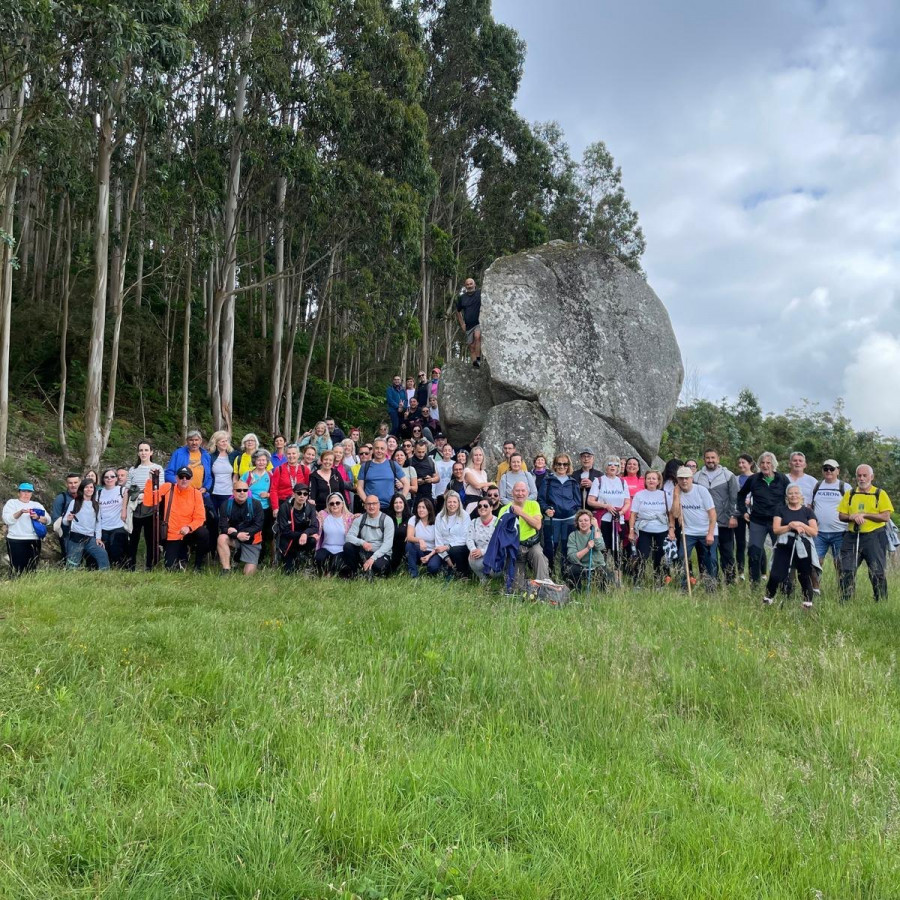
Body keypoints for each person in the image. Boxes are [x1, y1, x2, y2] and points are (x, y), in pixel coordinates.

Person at [837, 464, 894, 603]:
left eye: (865, 475)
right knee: (846, 570)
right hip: (852, 535)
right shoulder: (850, 494)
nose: (861, 478)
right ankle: (845, 601)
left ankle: (881, 602)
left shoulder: (880, 493)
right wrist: (852, 517)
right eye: (859, 475)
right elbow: (842, 515)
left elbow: (885, 516)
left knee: (876, 571)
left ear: (871, 477)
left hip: (874, 536)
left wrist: (865, 515)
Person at [736, 451, 790, 585]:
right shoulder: (753, 479)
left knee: (780, 553)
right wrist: (743, 511)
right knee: (754, 552)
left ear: (774, 464)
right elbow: (741, 495)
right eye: (763, 463)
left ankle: (781, 583)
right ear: (759, 465)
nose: (765, 466)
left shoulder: (782, 479)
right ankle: (754, 584)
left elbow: (791, 497)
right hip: (757, 521)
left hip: (777, 522)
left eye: (768, 463)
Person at [143, 466, 209, 571]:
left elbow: (200, 518)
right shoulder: (168, 487)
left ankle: (198, 565)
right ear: (176, 478)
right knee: (170, 567)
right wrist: (151, 481)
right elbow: (150, 502)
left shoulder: (196, 493)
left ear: (191, 479)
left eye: (187, 477)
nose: (184, 480)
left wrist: (189, 527)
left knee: (204, 533)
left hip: (189, 532)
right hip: (172, 534)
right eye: (181, 477)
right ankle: (181, 557)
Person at [764, 484, 819, 608]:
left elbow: (814, 532)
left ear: (801, 496)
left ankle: (807, 603)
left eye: (796, 493)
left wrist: (800, 525)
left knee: (804, 574)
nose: (793, 495)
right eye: (790, 493)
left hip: (803, 545)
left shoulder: (807, 511)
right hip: (784, 545)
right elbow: (776, 529)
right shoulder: (781, 510)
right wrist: (790, 526)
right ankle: (768, 599)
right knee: (776, 574)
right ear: (786, 496)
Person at [693, 449, 739, 584]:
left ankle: (730, 580)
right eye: (707, 458)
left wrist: (733, 516)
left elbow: (734, 497)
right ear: (704, 459)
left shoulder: (728, 475)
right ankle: (711, 579)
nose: (710, 460)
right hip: (705, 522)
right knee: (707, 553)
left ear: (718, 459)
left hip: (724, 521)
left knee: (727, 552)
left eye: (713, 458)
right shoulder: (696, 477)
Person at [669, 466, 718, 589]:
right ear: (677, 480)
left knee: (710, 559)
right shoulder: (677, 493)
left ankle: (710, 586)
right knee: (681, 557)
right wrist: (676, 495)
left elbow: (712, 514)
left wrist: (710, 533)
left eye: (687, 478)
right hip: (688, 531)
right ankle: (684, 586)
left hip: (706, 530)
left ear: (691, 478)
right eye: (681, 478)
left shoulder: (701, 491)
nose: (684, 481)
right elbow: (674, 514)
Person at [499, 481, 550, 586]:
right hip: (515, 547)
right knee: (516, 588)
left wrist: (520, 513)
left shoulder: (533, 505)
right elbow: (500, 532)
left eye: (523, 491)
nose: (520, 493)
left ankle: (544, 587)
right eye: (517, 491)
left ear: (527, 493)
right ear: (512, 493)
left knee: (539, 555)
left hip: (532, 544)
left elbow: (537, 525)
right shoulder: (504, 509)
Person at [124, 441, 165, 570]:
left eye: (146, 450)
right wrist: (123, 510)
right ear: (138, 453)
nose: (143, 453)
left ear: (151, 452)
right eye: (141, 450)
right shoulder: (133, 470)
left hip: (151, 508)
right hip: (135, 507)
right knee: (133, 539)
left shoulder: (157, 468)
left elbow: (161, 489)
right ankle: (131, 566)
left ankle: (150, 566)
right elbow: (127, 490)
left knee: (151, 539)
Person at [537, 453, 581, 570]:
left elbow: (578, 502)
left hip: (569, 520)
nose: (562, 466)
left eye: (565, 464)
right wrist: (546, 509)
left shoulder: (572, 482)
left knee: (568, 547)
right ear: (554, 465)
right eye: (559, 464)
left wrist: (573, 512)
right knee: (550, 548)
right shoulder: (548, 480)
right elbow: (541, 499)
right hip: (552, 520)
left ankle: (566, 573)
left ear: (568, 466)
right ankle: (548, 574)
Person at [587, 457, 631, 568]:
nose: (612, 466)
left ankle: (618, 574)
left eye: (615, 464)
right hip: (603, 521)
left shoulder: (622, 482)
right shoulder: (599, 481)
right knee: (603, 548)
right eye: (610, 464)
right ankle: (601, 572)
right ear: (605, 466)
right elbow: (590, 501)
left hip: (618, 520)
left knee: (618, 549)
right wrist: (605, 506)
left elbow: (627, 502)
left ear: (618, 468)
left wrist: (621, 512)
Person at [628, 470, 669, 583]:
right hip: (644, 529)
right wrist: (631, 531)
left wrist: (671, 530)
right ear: (645, 481)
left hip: (661, 529)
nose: (651, 480)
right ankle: (638, 581)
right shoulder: (639, 495)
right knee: (642, 556)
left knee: (660, 557)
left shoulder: (664, 495)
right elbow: (633, 514)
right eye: (648, 478)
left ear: (658, 481)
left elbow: (670, 513)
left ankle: (659, 581)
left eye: (653, 478)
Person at [217, 481, 264, 575]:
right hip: (235, 538)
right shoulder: (225, 505)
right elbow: (223, 526)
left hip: (251, 540)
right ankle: (226, 570)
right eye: (238, 490)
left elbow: (258, 525)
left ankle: (238, 556)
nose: (242, 492)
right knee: (222, 538)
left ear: (248, 491)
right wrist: (237, 535)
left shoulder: (256, 504)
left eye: (245, 490)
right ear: (233, 492)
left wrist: (239, 532)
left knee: (248, 574)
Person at [342, 495, 394, 577]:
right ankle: (354, 573)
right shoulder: (360, 519)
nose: (371, 506)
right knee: (348, 546)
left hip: (381, 553)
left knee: (378, 567)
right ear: (365, 506)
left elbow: (388, 544)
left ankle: (367, 571)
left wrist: (373, 558)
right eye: (368, 504)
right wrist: (362, 543)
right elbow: (348, 537)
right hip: (364, 551)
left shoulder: (387, 520)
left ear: (379, 505)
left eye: (374, 503)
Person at [3, 482, 50, 575]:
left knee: (32, 567)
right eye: (23, 491)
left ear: (32, 494)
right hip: (16, 539)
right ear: (19, 492)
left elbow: (48, 520)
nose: (26, 494)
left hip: (33, 539)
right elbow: (7, 520)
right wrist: (20, 512)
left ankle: (29, 586)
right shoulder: (12, 503)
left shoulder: (36, 505)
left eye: (29, 492)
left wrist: (37, 517)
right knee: (16, 567)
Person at [811, 459, 850, 569]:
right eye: (826, 469)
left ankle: (842, 587)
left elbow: (851, 508)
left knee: (840, 565)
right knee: (815, 564)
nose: (829, 471)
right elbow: (810, 506)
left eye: (832, 469)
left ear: (838, 470)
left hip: (840, 533)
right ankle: (815, 587)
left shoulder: (845, 487)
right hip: (818, 533)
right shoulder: (817, 486)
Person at [64, 479, 110, 570]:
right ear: (82, 489)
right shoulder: (75, 502)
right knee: (72, 564)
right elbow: (64, 521)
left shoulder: (96, 505)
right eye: (86, 487)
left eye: (91, 487)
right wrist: (68, 519)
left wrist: (98, 538)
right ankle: (69, 581)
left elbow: (98, 522)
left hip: (90, 538)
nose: (89, 489)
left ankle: (105, 577)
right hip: (76, 538)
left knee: (102, 554)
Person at [356, 439, 409, 512]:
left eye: (382, 448)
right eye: (377, 448)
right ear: (373, 450)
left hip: (390, 507)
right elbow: (359, 487)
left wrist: (401, 501)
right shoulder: (365, 466)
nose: (379, 451)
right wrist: (367, 502)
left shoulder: (393, 464)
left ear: (386, 450)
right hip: (371, 508)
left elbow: (406, 483)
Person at [276, 484, 319, 573]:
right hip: (289, 541)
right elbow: (284, 531)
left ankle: (306, 560)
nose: (302, 496)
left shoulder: (310, 507)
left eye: (305, 494)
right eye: (299, 493)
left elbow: (315, 526)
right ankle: (288, 558)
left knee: (313, 540)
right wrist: (302, 534)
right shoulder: (285, 507)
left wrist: (305, 533)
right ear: (293, 494)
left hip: (304, 540)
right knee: (289, 572)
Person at [566, 510, 609, 591]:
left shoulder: (596, 532)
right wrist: (587, 548)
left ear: (590, 522)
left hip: (596, 565)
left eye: (586, 520)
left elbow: (600, 547)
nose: (583, 523)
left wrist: (596, 527)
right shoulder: (573, 536)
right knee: (572, 570)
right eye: (580, 521)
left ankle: (602, 596)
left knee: (605, 575)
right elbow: (572, 557)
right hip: (581, 565)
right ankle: (577, 593)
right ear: (577, 523)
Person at [242, 450, 274, 558]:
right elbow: (239, 488)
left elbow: (275, 491)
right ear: (254, 461)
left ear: (267, 462)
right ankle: (248, 555)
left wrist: (268, 495)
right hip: (250, 507)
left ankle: (262, 557)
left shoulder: (270, 475)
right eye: (259, 460)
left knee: (265, 533)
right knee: (252, 531)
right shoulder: (248, 475)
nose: (261, 462)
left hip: (265, 508)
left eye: (264, 460)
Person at [314, 493, 354, 575]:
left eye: (337, 503)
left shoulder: (349, 518)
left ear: (342, 504)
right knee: (318, 558)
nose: (335, 505)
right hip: (326, 548)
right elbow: (313, 516)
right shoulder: (323, 516)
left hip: (341, 549)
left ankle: (331, 573)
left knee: (337, 563)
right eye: (332, 503)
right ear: (328, 506)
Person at [97, 467, 129, 567]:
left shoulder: (122, 490)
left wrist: (124, 510)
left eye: (112, 476)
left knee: (117, 552)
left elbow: (126, 506)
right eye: (106, 477)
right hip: (103, 527)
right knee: (106, 553)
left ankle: (120, 571)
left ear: (116, 478)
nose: (109, 479)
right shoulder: (98, 493)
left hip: (119, 526)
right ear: (103, 479)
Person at [434, 492, 471, 576]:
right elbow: (438, 539)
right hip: (443, 550)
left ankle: (463, 574)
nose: (452, 504)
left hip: (460, 548)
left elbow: (465, 537)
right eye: (449, 502)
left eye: (454, 502)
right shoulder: (439, 517)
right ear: (445, 503)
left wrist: (448, 546)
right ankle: (449, 567)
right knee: (433, 567)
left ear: (459, 503)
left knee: (455, 550)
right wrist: (447, 558)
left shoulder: (465, 516)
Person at [165, 429, 212, 494]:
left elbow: (209, 476)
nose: (194, 443)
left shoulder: (206, 456)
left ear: (200, 441)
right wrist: (181, 484)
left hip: (199, 493)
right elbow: (168, 473)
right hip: (181, 492)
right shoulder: (178, 453)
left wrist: (206, 488)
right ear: (187, 441)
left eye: (196, 440)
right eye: (191, 440)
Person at [467, 497, 498, 581]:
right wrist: (473, 550)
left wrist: (483, 551)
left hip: (494, 554)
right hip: (478, 552)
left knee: (493, 572)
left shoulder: (498, 522)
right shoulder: (473, 522)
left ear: (491, 508)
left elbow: (497, 543)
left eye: (485, 505)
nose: (482, 508)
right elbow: (469, 538)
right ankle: (483, 579)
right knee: (471, 558)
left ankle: (495, 580)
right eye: (479, 506)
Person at [51, 472, 82, 557]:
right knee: (69, 557)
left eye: (75, 482)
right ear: (66, 484)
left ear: (80, 483)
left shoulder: (86, 497)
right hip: (67, 535)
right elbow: (55, 517)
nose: (73, 485)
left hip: (84, 532)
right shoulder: (61, 498)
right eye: (70, 483)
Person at [406, 498, 439, 577]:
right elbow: (409, 537)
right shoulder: (413, 519)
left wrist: (429, 555)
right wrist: (420, 540)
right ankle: (413, 574)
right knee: (409, 544)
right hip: (419, 551)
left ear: (429, 509)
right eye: (419, 507)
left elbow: (439, 543)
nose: (420, 510)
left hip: (433, 552)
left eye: (423, 507)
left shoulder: (436, 522)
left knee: (433, 568)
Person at [734, 453, 755, 577]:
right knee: (740, 542)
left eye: (744, 463)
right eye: (739, 463)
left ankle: (760, 572)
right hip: (740, 513)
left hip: (754, 514)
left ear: (750, 464)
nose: (741, 465)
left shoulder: (757, 477)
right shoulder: (736, 479)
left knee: (756, 543)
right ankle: (740, 571)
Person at [269, 443, 305, 509]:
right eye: (289, 454)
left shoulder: (304, 469)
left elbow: (307, 488)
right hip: (283, 503)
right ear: (285, 455)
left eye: (294, 453)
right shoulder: (279, 469)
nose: (291, 456)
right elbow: (273, 490)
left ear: (298, 455)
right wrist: (275, 507)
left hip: (300, 503)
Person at [208, 431, 237, 512]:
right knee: (213, 518)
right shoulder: (210, 456)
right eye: (222, 441)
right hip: (213, 492)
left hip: (228, 492)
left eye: (226, 441)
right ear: (216, 443)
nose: (225, 443)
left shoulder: (233, 455)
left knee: (226, 518)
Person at [456, 277, 482, 367]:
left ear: (474, 284)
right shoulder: (462, 298)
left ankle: (478, 359)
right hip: (468, 325)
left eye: (471, 284)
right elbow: (458, 311)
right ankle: (475, 364)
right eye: (467, 284)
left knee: (477, 337)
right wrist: (462, 323)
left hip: (478, 322)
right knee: (471, 347)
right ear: (465, 286)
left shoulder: (480, 294)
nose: (469, 286)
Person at [387, 493, 411, 573]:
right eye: (396, 503)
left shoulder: (410, 518)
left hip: (404, 547)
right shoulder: (387, 518)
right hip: (391, 547)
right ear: (392, 505)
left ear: (404, 504)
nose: (398, 505)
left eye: (400, 502)